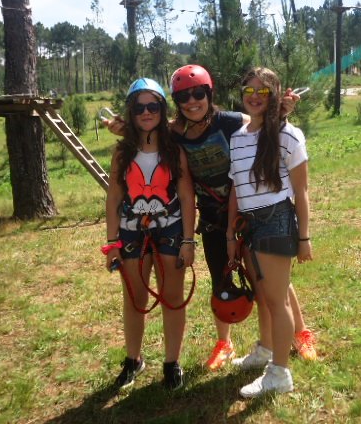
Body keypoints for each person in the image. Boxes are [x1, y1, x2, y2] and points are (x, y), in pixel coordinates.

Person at [106, 65, 316, 371]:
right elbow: (149, 130)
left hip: (246, 211)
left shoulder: (231, 121)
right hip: (212, 218)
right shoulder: (174, 133)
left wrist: (280, 110)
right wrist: (126, 128)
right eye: (184, 97)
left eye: (198, 94)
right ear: (176, 102)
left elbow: (263, 121)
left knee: (269, 281)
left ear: (208, 94)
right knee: (221, 278)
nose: (192, 101)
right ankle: (224, 343)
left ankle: (300, 332)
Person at [103, 78, 195, 391]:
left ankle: (172, 362)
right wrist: (112, 243)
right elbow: (114, 197)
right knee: (134, 298)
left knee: (172, 298)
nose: (146, 112)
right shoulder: (122, 153)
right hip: (131, 233)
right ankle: (133, 360)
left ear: (161, 109)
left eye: (153, 106)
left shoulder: (174, 151)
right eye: (139, 107)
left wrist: (188, 241)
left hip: (170, 231)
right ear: (131, 112)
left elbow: (187, 197)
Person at [226, 66, 313, 398]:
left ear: (275, 95)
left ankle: (279, 373)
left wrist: (304, 238)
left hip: (276, 220)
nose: (254, 96)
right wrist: (230, 234)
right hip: (249, 225)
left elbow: (301, 192)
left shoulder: (288, 136)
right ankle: (265, 350)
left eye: (262, 91)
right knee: (263, 296)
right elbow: (236, 189)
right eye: (248, 90)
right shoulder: (237, 137)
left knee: (277, 301)